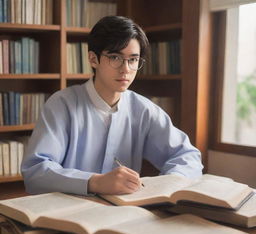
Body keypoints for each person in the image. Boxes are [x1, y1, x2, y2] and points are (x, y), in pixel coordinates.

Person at [21, 16, 203, 196]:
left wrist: (168, 183)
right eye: (115, 57)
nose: (126, 69)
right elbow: (36, 172)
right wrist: (95, 182)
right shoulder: (62, 105)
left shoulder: (144, 110)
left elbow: (188, 156)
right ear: (93, 59)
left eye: (133, 60)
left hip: (122, 213)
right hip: (68, 212)